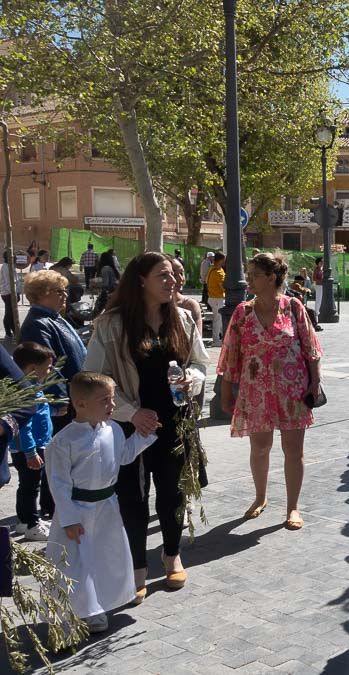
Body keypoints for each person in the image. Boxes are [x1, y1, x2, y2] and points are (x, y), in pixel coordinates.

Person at [83, 252, 208, 603]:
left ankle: (171, 555)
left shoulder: (182, 318)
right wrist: (129, 412)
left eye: (173, 276)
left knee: (173, 493)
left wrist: (191, 378)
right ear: (141, 280)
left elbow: (199, 363)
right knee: (133, 498)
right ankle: (137, 566)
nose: (173, 282)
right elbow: (93, 376)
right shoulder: (111, 325)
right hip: (130, 427)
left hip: (174, 423)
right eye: (163, 276)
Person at [44, 372, 158, 633]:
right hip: (77, 512)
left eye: (112, 399)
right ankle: (65, 616)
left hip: (107, 508)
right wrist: (70, 519)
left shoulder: (114, 430)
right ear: (80, 404)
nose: (112, 405)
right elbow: (59, 484)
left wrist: (144, 436)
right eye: (104, 400)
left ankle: (95, 608)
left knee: (104, 558)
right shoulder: (63, 442)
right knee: (75, 563)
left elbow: (124, 456)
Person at [218, 254, 323, 530]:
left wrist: (315, 382)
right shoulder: (242, 312)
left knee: (293, 449)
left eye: (254, 274)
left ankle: (292, 507)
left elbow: (311, 348)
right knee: (260, 446)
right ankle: (260, 496)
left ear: (271, 277)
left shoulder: (293, 306)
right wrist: (226, 389)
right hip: (256, 390)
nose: (248, 279)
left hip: (292, 389)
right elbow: (231, 352)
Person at [20, 270, 88, 432]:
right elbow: (45, 367)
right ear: (41, 293)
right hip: (63, 406)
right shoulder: (38, 324)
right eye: (59, 291)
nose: (65, 295)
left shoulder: (53, 318)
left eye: (66, 290)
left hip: (76, 397)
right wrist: (59, 399)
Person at [9, 342, 57, 542]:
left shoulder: (32, 387)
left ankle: (23, 520)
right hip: (29, 449)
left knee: (27, 485)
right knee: (31, 486)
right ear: (31, 368)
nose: (50, 370)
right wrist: (30, 452)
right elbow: (24, 425)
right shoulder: (25, 391)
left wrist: (54, 410)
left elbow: (39, 412)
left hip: (34, 446)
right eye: (47, 367)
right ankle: (31, 524)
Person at [170, 258, 203, 325]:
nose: (180, 278)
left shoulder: (190, 305)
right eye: (173, 274)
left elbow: (196, 335)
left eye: (181, 273)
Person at [206, 252, 227, 345]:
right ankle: (216, 340)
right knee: (217, 319)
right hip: (217, 298)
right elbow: (223, 286)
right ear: (221, 260)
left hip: (213, 297)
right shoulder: (218, 272)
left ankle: (222, 336)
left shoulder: (212, 268)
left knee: (219, 319)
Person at [1, 251, 17, 338]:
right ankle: (10, 331)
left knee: (10, 312)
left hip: (10, 292)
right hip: (8, 293)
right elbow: (8, 282)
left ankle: (12, 330)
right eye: (11, 256)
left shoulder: (10, 266)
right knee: (10, 313)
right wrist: (13, 294)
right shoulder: (6, 267)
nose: (13, 257)